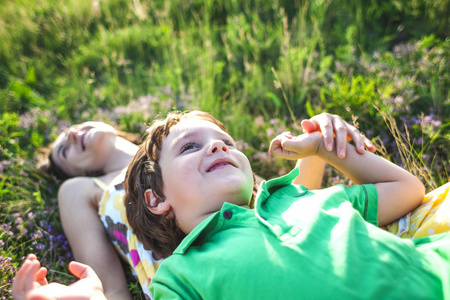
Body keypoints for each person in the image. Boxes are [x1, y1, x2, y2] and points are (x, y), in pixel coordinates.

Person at [14, 110, 450, 299]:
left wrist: (325, 147)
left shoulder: (257, 188)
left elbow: (299, 206)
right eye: (63, 149)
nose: (72, 133)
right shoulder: (83, 190)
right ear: (154, 197)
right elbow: (111, 285)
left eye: (226, 143)